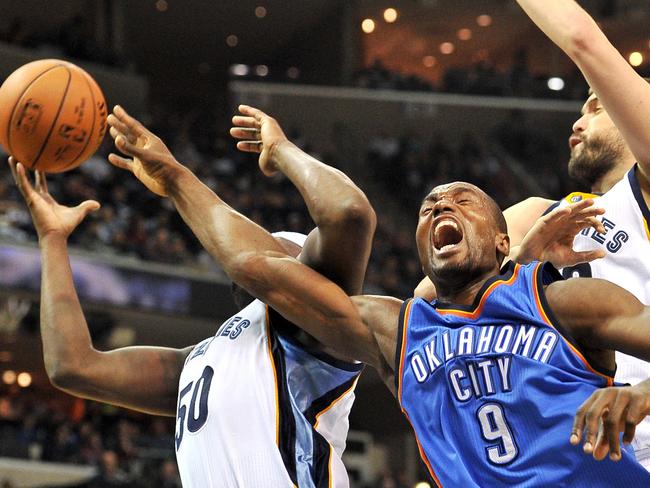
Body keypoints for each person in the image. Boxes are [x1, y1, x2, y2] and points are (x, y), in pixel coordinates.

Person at [124, 174, 650, 486]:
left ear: (501, 243)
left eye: (463, 200)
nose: (441, 205)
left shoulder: (563, 300)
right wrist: (175, 178)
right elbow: (254, 266)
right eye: (427, 207)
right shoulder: (396, 329)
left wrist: (644, 390)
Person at [9, 103, 377, 487]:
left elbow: (349, 213)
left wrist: (279, 149)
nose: (260, 246)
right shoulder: (205, 359)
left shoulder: (320, 332)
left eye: (274, 247)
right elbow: (72, 366)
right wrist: (52, 240)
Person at [509, 0, 650, 467]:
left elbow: (582, 39)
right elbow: (431, 303)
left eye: (596, 106)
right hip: (567, 452)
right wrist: (523, 263)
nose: (578, 120)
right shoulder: (538, 216)